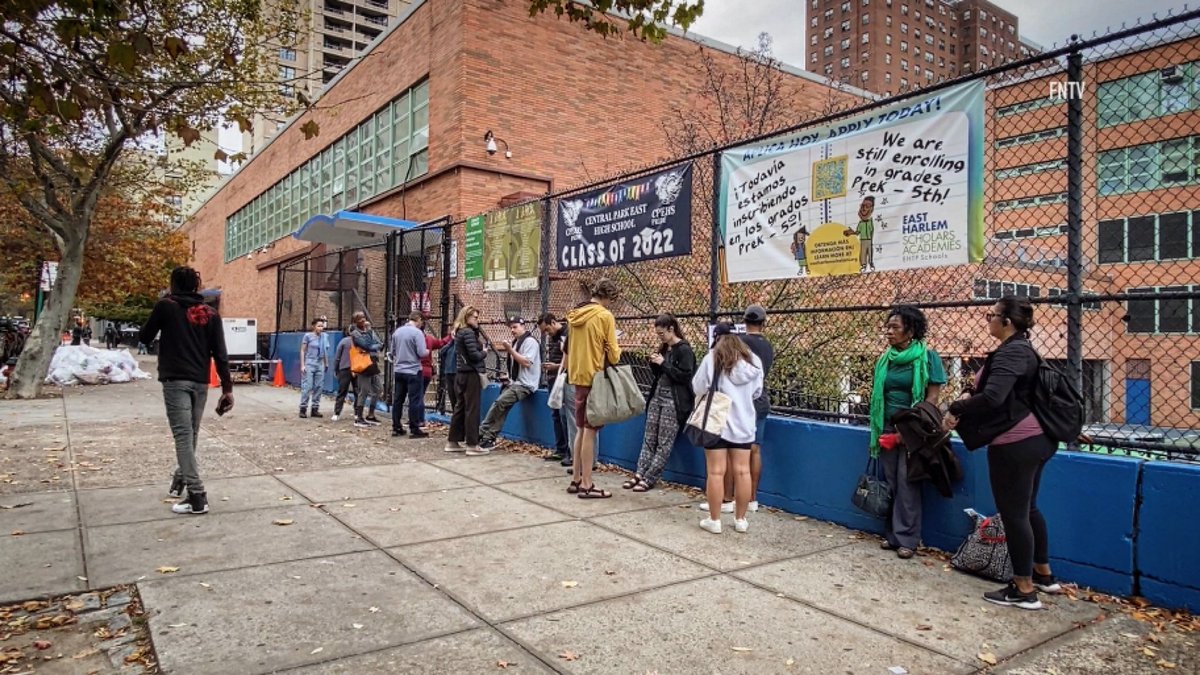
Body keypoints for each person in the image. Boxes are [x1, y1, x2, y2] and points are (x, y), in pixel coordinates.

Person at [945, 297, 1060, 610]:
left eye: (991, 315)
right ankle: (1043, 575)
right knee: (1028, 508)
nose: (988, 320)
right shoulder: (1019, 349)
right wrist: (969, 391)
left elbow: (994, 397)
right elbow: (986, 386)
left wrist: (957, 407)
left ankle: (1023, 589)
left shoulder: (1013, 352)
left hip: (1016, 442)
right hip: (1035, 439)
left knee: (1014, 514)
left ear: (1007, 321)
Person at [139, 266, 234, 516]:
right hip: (200, 382)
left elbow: (145, 336)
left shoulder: (166, 307)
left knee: (183, 435)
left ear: (173, 284)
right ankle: (181, 478)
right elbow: (220, 354)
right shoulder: (210, 313)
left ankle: (197, 495)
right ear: (196, 285)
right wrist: (227, 388)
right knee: (190, 434)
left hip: (175, 379)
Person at [868, 305, 946, 560]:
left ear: (910, 331)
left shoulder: (927, 357)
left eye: (895, 328)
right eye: (887, 327)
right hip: (887, 426)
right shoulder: (885, 358)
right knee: (891, 481)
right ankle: (892, 535)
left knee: (907, 481)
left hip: (914, 429)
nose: (888, 332)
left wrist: (912, 428)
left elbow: (932, 397)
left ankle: (907, 539)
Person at [692, 323, 763, 534]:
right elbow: (757, 392)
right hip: (744, 424)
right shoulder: (754, 361)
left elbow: (698, 386)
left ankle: (714, 520)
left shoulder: (712, 358)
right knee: (743, 471)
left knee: (715, 472)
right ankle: (740, 519)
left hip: (717, 423)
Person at [565, 279, 622, 499]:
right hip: (595, 377)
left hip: (577, 374)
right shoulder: (604, 316)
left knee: (580, 429)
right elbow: (614, 355)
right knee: (590, 431)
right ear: (608, 297)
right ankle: (587, 484)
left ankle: (576, 478)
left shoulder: (575, 315)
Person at [626, 314, 695, 492]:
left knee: (664, 441)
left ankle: (650, 477)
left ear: (671, 329)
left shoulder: (684, 350)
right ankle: (640, 472)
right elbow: (659, 375)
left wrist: (663, 364)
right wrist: (655, 364)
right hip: (657, 396)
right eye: (658, 334)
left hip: (673, 400)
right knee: (649, 437)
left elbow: (685, 376)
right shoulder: (665, 348)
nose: (660, 337)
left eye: (662, 333)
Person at [477, 317, 542, 451]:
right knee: (503, 407)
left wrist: (510, 350)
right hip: (516, 382)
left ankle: (481, 431)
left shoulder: (530, 342)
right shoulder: (516, 342)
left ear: (523, 326)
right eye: (511, 327)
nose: (512, 330)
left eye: (515, 327)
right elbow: (516, 364)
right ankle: (488, 437)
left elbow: (526, 363)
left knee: (500, 403)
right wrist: (509, 376)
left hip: (526, 384)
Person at [447, 306, 487, 453]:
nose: (478, 320)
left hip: (461, 373)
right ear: (467, 317)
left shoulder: (459, 332)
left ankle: (453, 441)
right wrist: (484, 352)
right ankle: (472, 444)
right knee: (472, 408)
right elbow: (474, 355)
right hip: (471, 373)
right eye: (475, 317)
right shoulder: (468, 333)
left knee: (461, 407)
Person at [538, 313, 576, 465]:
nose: (547, 333)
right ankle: (561, 449)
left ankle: (569, 451)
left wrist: (556, 366)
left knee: (564, 415)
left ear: (553, 322)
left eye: (547, 329)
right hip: (554, 379)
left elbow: (570, 359)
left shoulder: (567, 334)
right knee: (556, 414)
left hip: (563, 378)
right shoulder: (553, 337)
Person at [390, 311, 430, 439]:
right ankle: (414, 427)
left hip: (399, 369)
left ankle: (396, 426)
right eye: (422, 322)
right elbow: (421, 352)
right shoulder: (417, 333)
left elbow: (392, 351)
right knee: (414, 399)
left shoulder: (397, 332)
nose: (421, 325)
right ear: (418, 320)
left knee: (398, 399)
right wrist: (428, 350)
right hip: (413, 370)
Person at [419, 316, 453, 429]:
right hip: (427, 371)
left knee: (416, 396)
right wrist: (450, 337)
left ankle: (418, 419)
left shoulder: (415, 339)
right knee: (420, 395)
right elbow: (440, 343)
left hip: (417, 370)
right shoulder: (429, 339)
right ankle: (419, 419)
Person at [349, 314, 383, 425]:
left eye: (364, 317)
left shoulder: (370, 331)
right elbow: (367, 345)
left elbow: (380, 344)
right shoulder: (355, 334)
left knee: (378, 389)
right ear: (355, 322)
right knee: (364, 390)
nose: (363, 320)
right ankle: (359, 417)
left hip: (373, 362)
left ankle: (371, 414)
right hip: (363, 364)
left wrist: (374, 345)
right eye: (360, 319)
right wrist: (373, 344)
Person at [332, 325, 366, 426]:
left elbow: (337, 356)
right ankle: (357, 413)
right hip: (357, 369)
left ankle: (337, 413)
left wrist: (336, 368)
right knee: (357, 391)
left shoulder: (344, 341)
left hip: (345, 369)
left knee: (342, 391)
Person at [299, 318, 329, 418]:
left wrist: (326, 363)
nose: (321, 328)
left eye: (322, 326)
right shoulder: (308, 336)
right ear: (314, 326)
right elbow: (303, 350)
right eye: (319, 326)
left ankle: (315, 409)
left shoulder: (324, 337)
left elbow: (324, 350)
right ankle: (303, 408)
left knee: (319, 387)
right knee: (307, 386)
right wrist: (303, 365)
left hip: (320, 362)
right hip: (310, 362)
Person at [436, 333, 457, 414]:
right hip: (448, 372)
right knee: (451, 395)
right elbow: (441, 352)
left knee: (457, 395)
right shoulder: (449, 345)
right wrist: (451, 342)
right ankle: (455, 413)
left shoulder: (459, 345)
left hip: (456, 372)